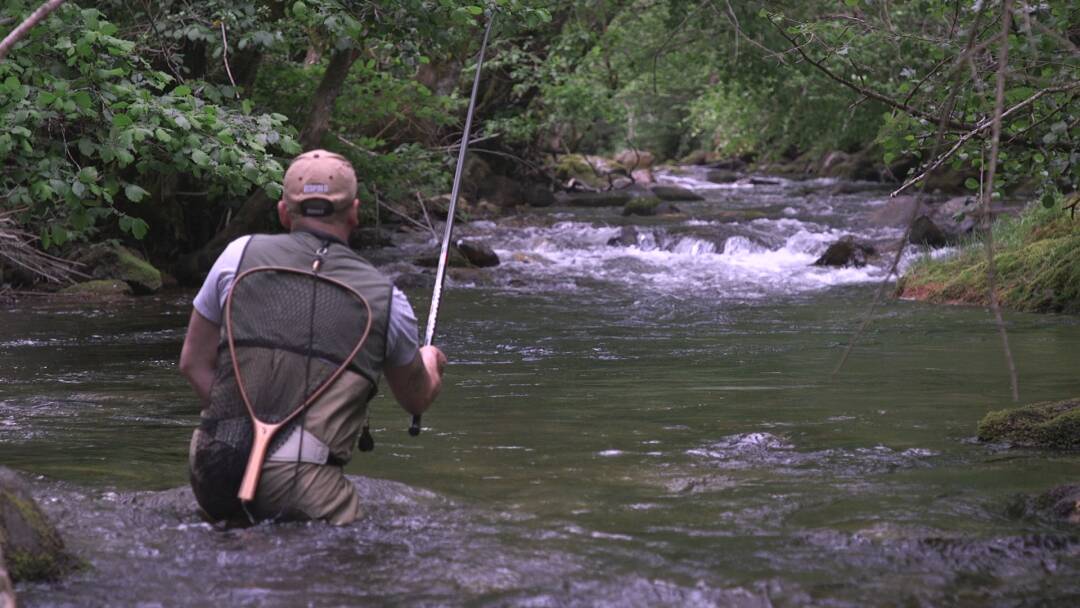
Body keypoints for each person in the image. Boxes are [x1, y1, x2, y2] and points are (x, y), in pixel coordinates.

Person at [179, 149, 446, 525]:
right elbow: (415, 398)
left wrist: (240, 430)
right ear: (354, 212)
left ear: (284, 212)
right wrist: (431, 362)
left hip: (213, 463)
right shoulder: (387, 299)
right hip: (302, 488)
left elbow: (192, 363)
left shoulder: (236, 256)